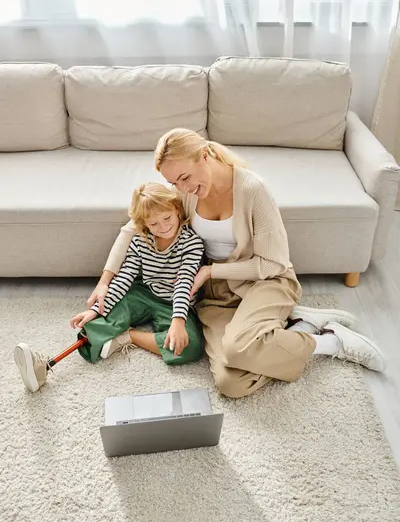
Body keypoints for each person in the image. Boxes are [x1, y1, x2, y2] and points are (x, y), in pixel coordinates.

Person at [86, 128, 385, 399]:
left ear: (203, 155)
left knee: (237, 348)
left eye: (185, 178)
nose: (182, 188)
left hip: (265, 282)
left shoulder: (253, 190)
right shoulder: (184, 190)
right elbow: (132, 229)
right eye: (173, 182)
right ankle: (294, 327)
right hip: (215, 295)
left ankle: (331, 342)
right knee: (231, 384)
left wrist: (211, 271)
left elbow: (273, 263)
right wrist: (105, 281)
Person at [14, 182, 205, 392]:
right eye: (154, 223)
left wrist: (178, 321)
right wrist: (95, 310)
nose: (163, 227)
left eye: (167, 218)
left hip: (175, 303)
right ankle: (43, 366)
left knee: (191, 346)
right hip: (143, 293)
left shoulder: (192, 243)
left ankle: (126, 336)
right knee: (104, 314)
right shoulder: (141, 241)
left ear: (177, 210)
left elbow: (185, 283)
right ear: (144, 224)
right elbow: (125, 277)